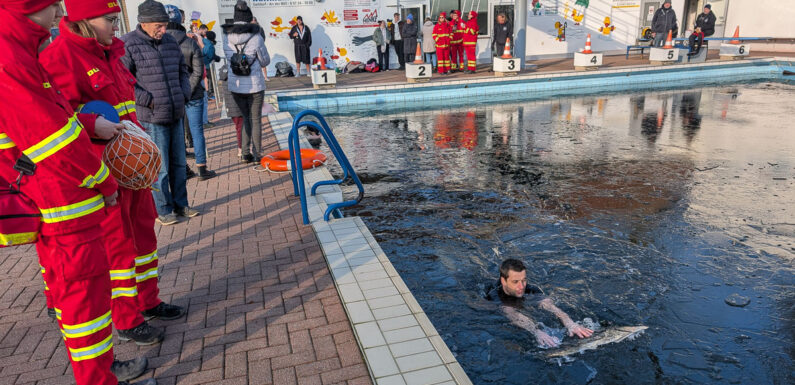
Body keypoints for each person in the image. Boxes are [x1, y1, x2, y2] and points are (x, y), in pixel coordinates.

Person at [0, 1, 154, 384]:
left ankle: (101, 372)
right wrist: (102, 178)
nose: (58, 10)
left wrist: (88, 122)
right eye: (52, 3)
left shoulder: (19, 49)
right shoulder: (11, 56)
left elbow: (54, 115)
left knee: (86, 300)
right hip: (60, 196)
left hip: (62, 192)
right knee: (85, 299)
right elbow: (51, 138)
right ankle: (99, 379)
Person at [41, 0, 189, 351]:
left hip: (131, 168)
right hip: (102, 171)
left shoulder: (108, 52)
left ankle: (148, 301)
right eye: (109, 19)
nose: (115, 26)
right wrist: (92, 124)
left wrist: (144, 156)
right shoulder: (60, 57)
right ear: (84, 20)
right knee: (118, 248)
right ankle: (126, 319)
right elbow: (51, 118)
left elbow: (124, 107)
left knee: (143, 237)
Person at [121, 0, 199, 225]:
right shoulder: (128, 44)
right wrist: (149, 101)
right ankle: (163, 209)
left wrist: (183, 93)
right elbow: (125, 81)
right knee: (160, 167)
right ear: (143, 23)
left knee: (178, 164)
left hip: (175, 111)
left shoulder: (170, 42)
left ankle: (181, 205)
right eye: (159, 26)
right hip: (152, 117)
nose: (163, 30)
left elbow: (183, 71)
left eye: (165, 25)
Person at [488, 259, 594, 348]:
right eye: (515, 282)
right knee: (508, 308)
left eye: (524, 280)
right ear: (503, 281)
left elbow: (549, 305)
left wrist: (570, 323)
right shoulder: (494, 295)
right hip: (505, 305)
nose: (521, 287)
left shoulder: (531, 289)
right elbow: (512, 314)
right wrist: (536, 331)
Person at [164, 5, 216, 182]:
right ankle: (202, 168)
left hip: (171, 95)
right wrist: (189, 89)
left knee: (176, 132)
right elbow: (198, 70)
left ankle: (183, 168)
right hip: (192, 94)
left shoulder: (159, 44)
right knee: (197, 130)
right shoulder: (190, 42)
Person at [222, 0, 270, 164]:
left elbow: (229, 59)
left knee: (245, 118)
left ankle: (244, 153)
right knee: (255, 119)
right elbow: (265, 62)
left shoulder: (226, 38)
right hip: (255, 85)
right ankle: (257, 155)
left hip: (235, 86)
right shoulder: (256, 38)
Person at [218, 63, 245, 158]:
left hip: (231, 105)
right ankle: (241, 149)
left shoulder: (224, 69)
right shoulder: (238, 68)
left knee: (238, 127)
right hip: (239, 103)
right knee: (242, 127)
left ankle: (241, 148)